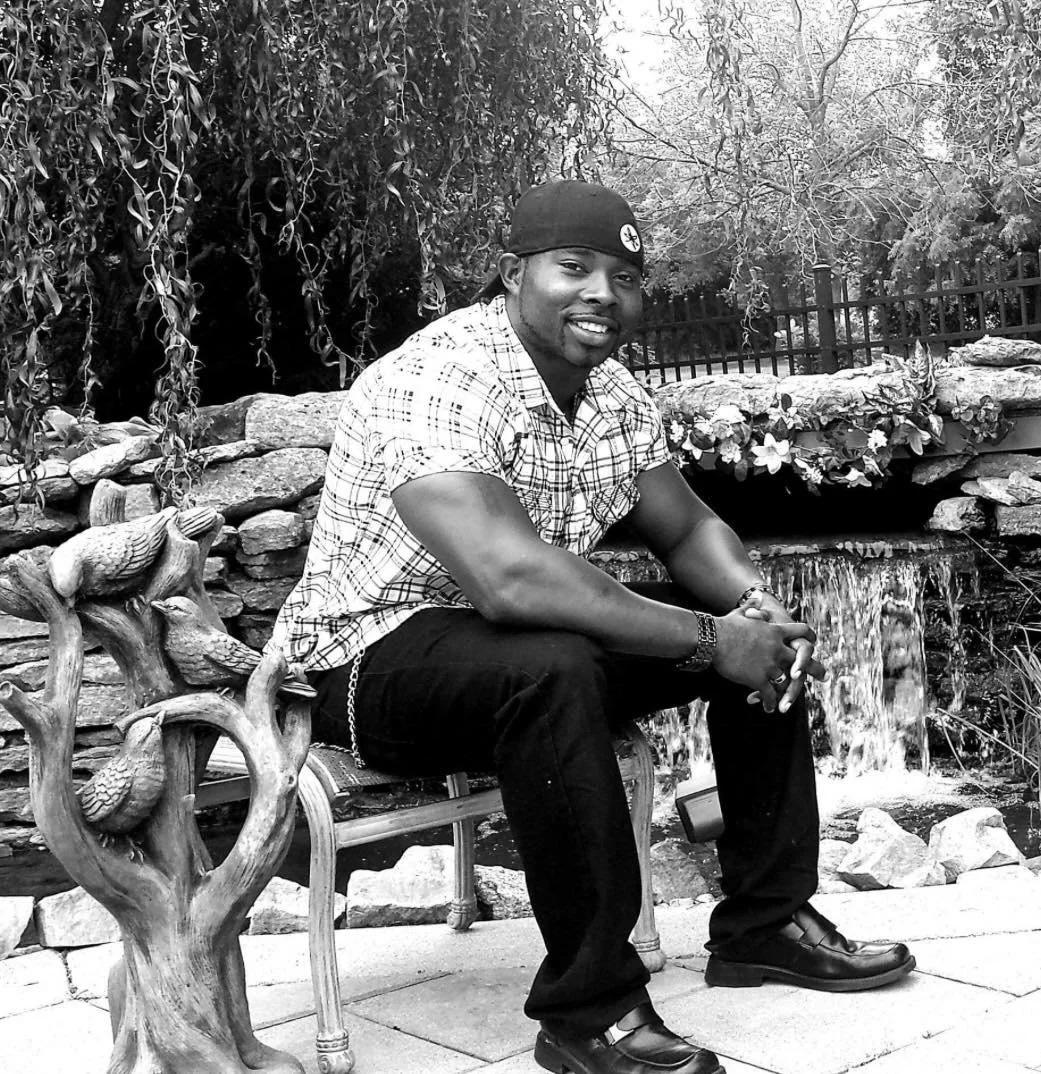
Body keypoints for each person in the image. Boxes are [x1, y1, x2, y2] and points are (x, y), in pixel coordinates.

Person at [271, 180, 915, 1074]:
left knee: (757, 652)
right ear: (511, 276)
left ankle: (765, 924)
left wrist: (750, 610)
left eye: (623, 276)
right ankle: (589, 1008)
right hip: (369, 662)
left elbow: (685, 527)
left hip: (525, 646)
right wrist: (704, 638)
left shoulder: (611, 395)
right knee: (552, 665)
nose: (600, 293)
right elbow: (507, 580)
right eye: (573, 267)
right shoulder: (435, 377)